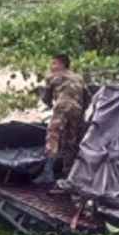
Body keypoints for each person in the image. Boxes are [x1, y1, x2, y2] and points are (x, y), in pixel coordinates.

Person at [37, 53, 91, 185]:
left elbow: (46, 97)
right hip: (77, 112)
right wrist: (81, 111)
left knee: (52, 138)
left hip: (62, 109)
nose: (52, 66)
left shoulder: (54, 76)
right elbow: (88, 98)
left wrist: (49, 105)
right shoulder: (78, 78)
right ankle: (69, 175)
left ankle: (47, 173)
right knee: (70, 143)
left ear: (62, 65)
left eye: (54, 63)